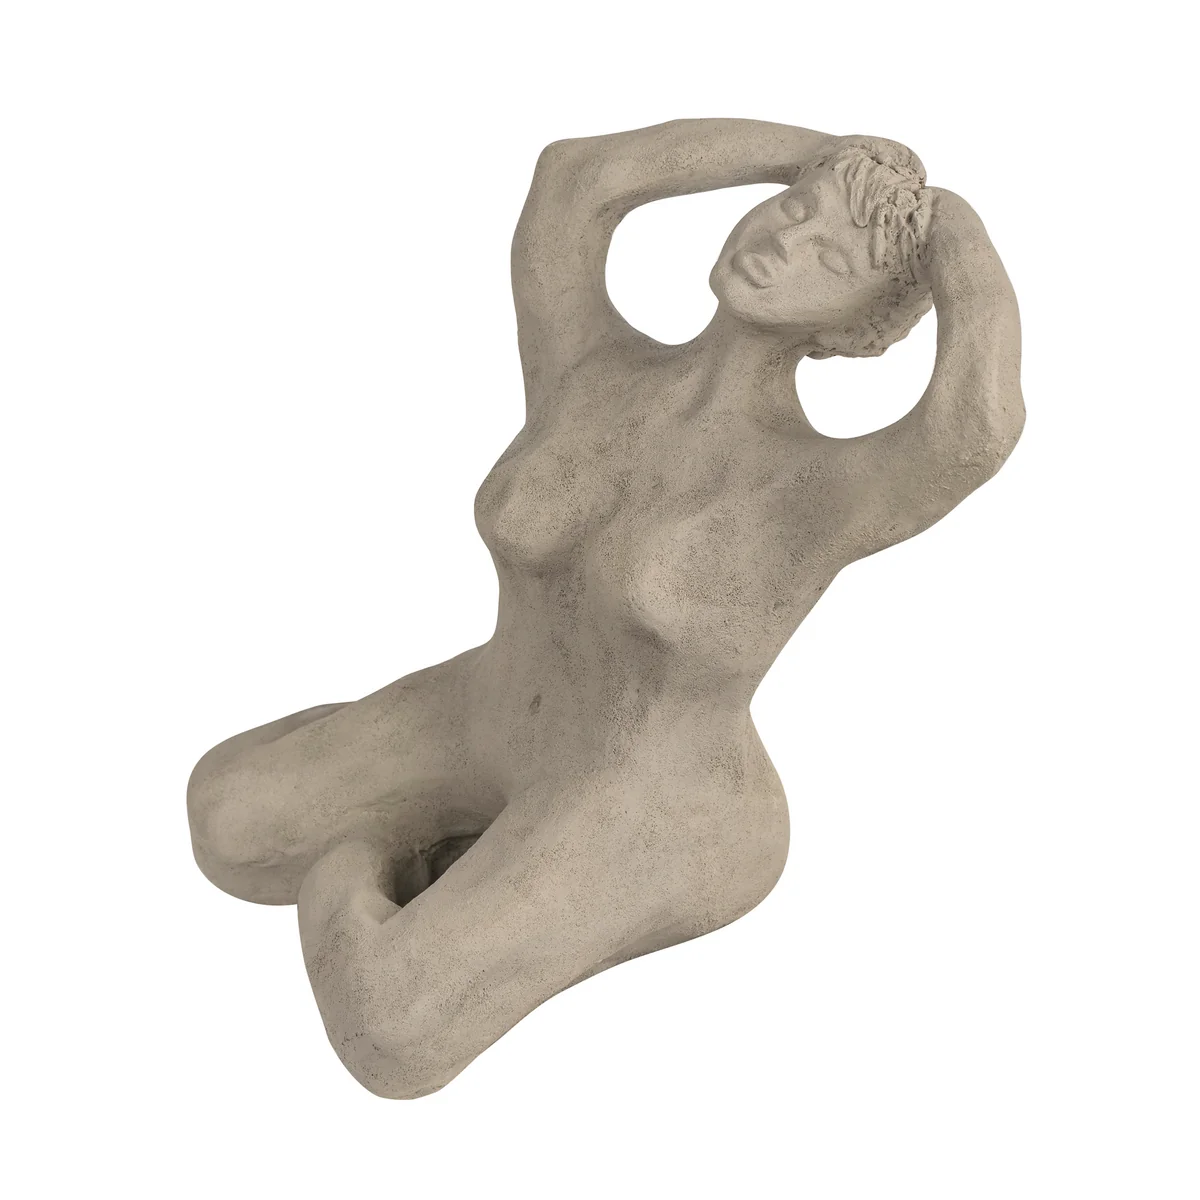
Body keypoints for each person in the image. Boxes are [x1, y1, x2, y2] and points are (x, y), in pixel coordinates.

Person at [188, 119, 1024, 1098]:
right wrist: (822, 152)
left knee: (394, 1032)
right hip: (489, 710)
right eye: (792, 210)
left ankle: (413, 873)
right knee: (226, 822)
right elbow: (575, 181)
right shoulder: (591, 371)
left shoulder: (815, 490)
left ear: (855, 327)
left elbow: (974, 428)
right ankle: (444, 867)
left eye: (832, 259)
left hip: (651, 796)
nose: (785, 242)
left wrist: (948, 226)